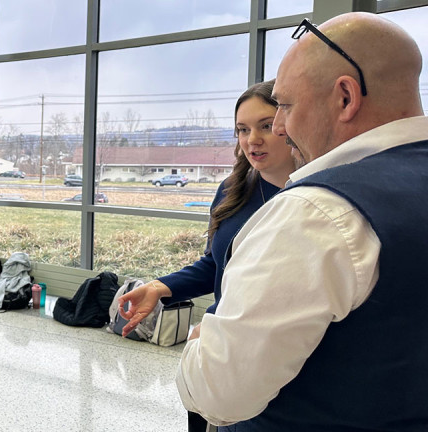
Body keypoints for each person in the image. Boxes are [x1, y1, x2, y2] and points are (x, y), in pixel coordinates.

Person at [170, 12, 428, 431]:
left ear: (345, 97)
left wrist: (199, 345)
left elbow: (220, 393)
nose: (281, 127)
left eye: (286, 107)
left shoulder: (317, 213)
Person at [117, 79, 298, 431]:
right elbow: (216, 265)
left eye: (265, 126)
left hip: (276, 358)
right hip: (216, 348)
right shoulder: (233, 190)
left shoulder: (315, 197)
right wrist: (159, 287)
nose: (252, 140)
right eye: (242, 129)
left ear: (289, 125)